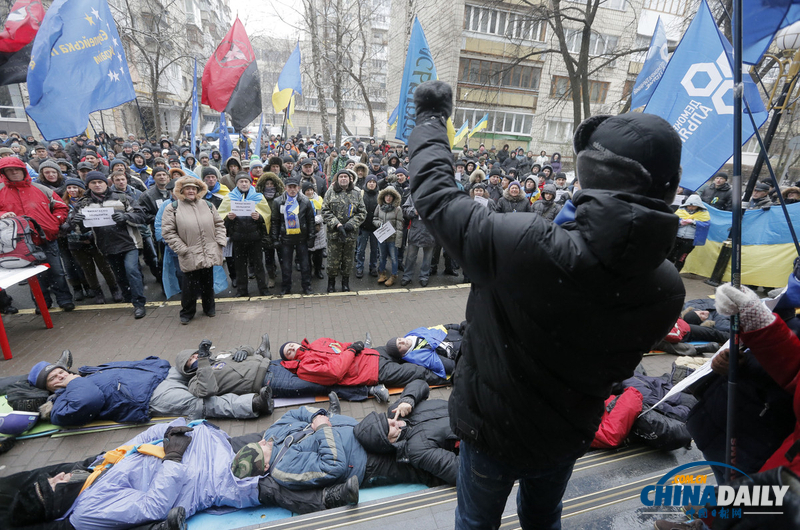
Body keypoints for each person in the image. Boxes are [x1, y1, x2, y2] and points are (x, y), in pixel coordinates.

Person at [407, 81, 685, 530]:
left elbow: (436, 196)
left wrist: (431, 119)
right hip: (567, 432)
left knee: (476, 521)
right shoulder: (669, 287)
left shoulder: (526, 244)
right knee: (543, 518)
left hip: (492, 433)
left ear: (591, 176)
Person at [68, 172, 148, 319]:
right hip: (106, 246)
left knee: (132, 271)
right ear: (88, 185)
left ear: (107, 183)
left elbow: (141, 216)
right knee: (120, 275)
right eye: (94, 182)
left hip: (129, 243)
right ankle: (128, 297)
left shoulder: (122, 198)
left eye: (100, 182)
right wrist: (77, 221)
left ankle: (139, 303)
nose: (97, 185)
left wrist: (125, 217)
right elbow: (77, 229)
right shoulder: (83, 204)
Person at [0, 157, 75, 311]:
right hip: (20, 244)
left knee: (57, 272)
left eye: (17, 169)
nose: (14, 172)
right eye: (10, 170)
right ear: (4, 173)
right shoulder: (1, 191)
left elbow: (61, 207)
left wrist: (55, 223)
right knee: (35, 277)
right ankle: (42, 304)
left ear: (23, 170)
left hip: (47, 238)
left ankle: (65, 300)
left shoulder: (41, 189)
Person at [354, 379, 459, 486]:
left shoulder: (396, 410)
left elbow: (421, 383)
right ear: (389, 442)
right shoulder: (417, 450)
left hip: (467, 410)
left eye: (386, 420)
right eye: (388, 428)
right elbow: (457, 470)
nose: (393, 422)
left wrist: (408, 398)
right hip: (471, 433)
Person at [278, 335, 448, 400]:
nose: (292, 348)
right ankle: (450, 376)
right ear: (289, 359)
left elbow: (339, 344)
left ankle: (444, 355)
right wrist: (352, 350)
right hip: (372, 372)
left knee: (407, 351)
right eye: (289, 352)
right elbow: (334, 372)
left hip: (372, 354)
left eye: (290, 345)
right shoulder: (304, 368)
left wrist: (352, 345)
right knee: (416, 372)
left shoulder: (317, 342)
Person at [28, 352, 170, 427]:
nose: (61, 376)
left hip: (158, 374)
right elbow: (89, 400)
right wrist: (75, 381)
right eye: (52, 378)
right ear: (48, 389)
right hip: (150, 396)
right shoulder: (59, 407)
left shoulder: (86, 374)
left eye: (61, 372)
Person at [161, 177, 227, 324]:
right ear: (181, 190)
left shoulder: (208, 205)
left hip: (209, 251)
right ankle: (187, 313)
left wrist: (220, 242)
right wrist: (182, 249)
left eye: (194, 188)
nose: (191, 191)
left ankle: (209, 308)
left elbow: (219, 224)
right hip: (189, 253)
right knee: (189, 286)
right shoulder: (173, 208)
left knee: (208, 283)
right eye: (187, 188)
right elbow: (168, 232)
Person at [218, 172, 272, 297]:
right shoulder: (229, 198)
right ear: (236, 184)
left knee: (258, 265)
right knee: (240, 266)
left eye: (246, 181)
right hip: (238, 238)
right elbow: (220, 218)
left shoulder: (258, 197)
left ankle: (263, 289)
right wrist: (228, 218)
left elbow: (267, 216)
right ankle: (242, 290)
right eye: (241, 181)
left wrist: (259, 217)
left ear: (250, 183)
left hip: (255, 238)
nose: (243, 183)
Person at [322, 169, 366, 293]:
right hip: (334, 234)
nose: (343, 179)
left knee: (348, 261)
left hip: (350, 234)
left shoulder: (356, 193)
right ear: (337, 179)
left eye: (345, 177)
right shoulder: (330, 192)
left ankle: (345, 283)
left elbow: (362, 212)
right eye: (341, 177)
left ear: (350, 179)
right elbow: (325, 210)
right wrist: (337, 224)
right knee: (332, 261)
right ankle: (331, 283)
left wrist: (351, 224)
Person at [271, 177, 315, 295]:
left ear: (298, 188)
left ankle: (307, 286)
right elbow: (274, 221)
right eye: (289, 187)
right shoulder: (278, 201)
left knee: (305, 265)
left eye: (294, 187)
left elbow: (311, 220)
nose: (292, 190)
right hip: (285, 238)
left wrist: (311, 237)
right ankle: (286, 287)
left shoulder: (305, 201)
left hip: (302, 238)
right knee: (286, 265)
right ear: (285, 188)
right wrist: (274, 238)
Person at [383, 323, 464, 378]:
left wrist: (461, 327)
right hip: (463, 348)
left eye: (399, 339)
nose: (403, 341)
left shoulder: (415, 333)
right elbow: (452, 366)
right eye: (400, 346)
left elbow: (443, 327)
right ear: (402, 354)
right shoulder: (420, 357)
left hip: (460, 334)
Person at [667, 194, 710, 271]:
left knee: (681, 258)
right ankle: (666, 272)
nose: (691, 207)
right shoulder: (680, 211)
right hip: (677, 237)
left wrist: (694, 222)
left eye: (694, 206)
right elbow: (673, 220)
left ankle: (676, 272)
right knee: (669, 255)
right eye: (689, 206)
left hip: (690, 240)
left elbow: (706, 225)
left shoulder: (704, 214)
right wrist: (680, 222)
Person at [373, 186, 404, 287]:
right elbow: (374, 218)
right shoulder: (379, 206)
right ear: (383, 196)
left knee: (394, 258)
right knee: (382, 257)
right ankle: (382, 274)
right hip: (382, 237)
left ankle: (393, 276)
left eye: (390, 196)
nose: (388, 198)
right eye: (386, 195)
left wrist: (397, 241)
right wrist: (378, 224)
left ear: (394, 197)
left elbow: (400, 226)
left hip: (392, 238)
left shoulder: (397, 209)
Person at [356, 175, 380, 279]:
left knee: (375, 250)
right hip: (363, 227)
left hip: (376, 228)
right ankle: (360, 267)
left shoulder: (380, 195)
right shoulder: (361, 194)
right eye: (369, 182)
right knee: (361, 249)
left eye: (373, 182)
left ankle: (373, 267)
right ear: (366, 183)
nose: (371, 183)